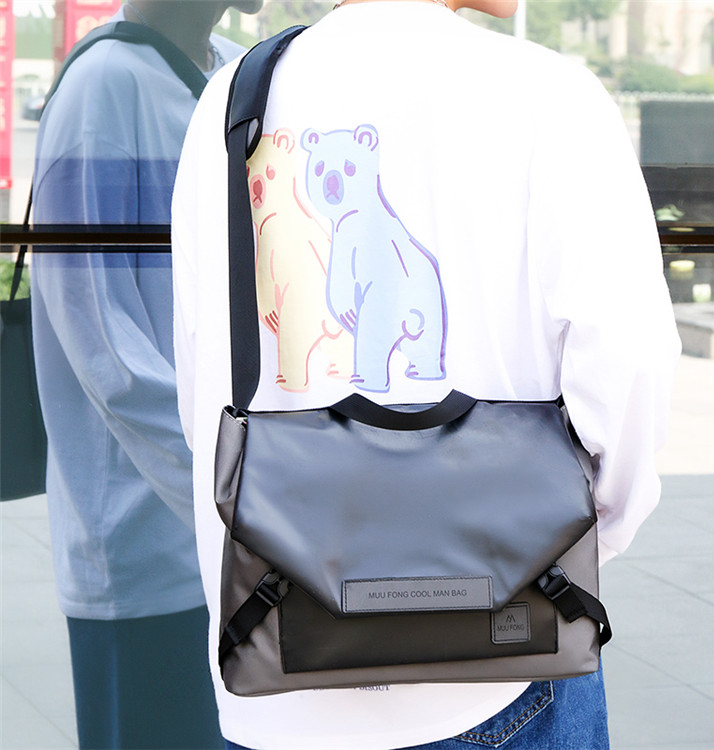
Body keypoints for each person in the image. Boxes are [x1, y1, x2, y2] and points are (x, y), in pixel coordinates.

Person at [171, 0, 681, 747]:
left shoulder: (237, 94)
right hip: (496, 672)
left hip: (276, 669)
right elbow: (627, 374)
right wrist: (564, 552)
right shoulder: (549, 94)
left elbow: (204, 387)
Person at [30, 2, 260, 747]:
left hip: (240, 538)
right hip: (146, 550)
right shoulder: (102, 88)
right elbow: (104, 345)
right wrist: (233, 496)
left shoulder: (236, 70)